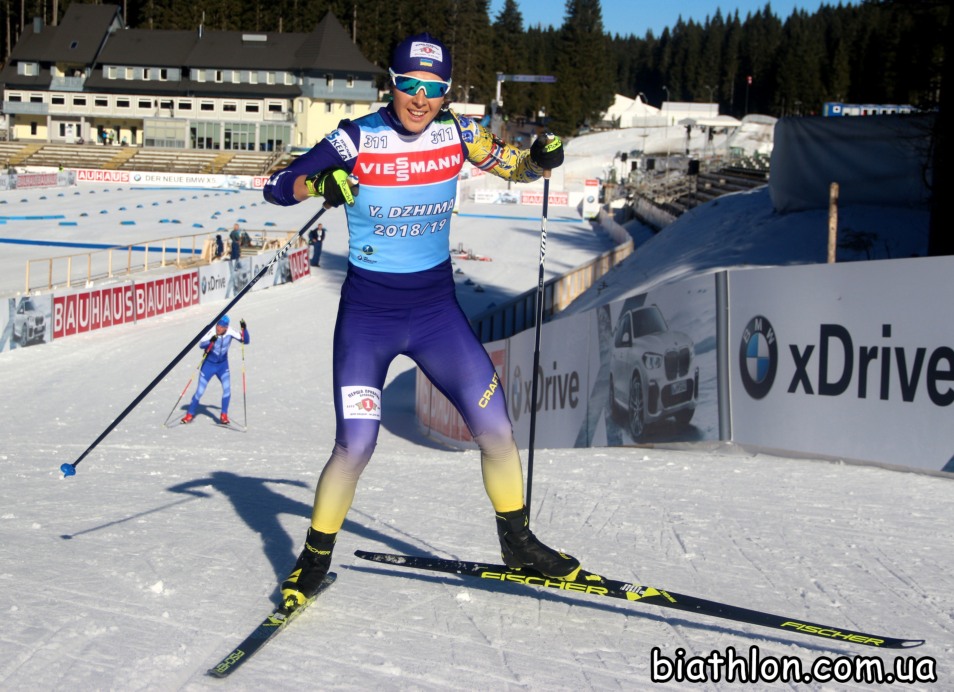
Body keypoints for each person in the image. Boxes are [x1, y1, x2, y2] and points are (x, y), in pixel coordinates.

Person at [264, 32, 576, 612]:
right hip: (368, 320)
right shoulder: (356, 137)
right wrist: (321, 181)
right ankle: (313, 557)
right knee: (356, 445)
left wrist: (541, 158)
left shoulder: (458, 133)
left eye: (434, 89)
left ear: (447, 93)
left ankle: (519, 542)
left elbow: (518, 169)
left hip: (436, 316)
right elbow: (278, 186)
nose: (420, 99)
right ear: (392, 81)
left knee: (498, 431)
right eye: (410, 85)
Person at [180, 315, 249, 425]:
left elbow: (245, 341)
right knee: (200, 391)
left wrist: (244, 329)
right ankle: (189, 414)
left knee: (227, 390)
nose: (218, 328)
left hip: (222, 366)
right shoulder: (211, 331)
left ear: (226, 328)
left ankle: (224, 415)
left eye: (221, 327)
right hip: (208, 365)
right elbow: (201, 345)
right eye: (218, 325)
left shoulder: (230, 331)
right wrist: (210, 342)